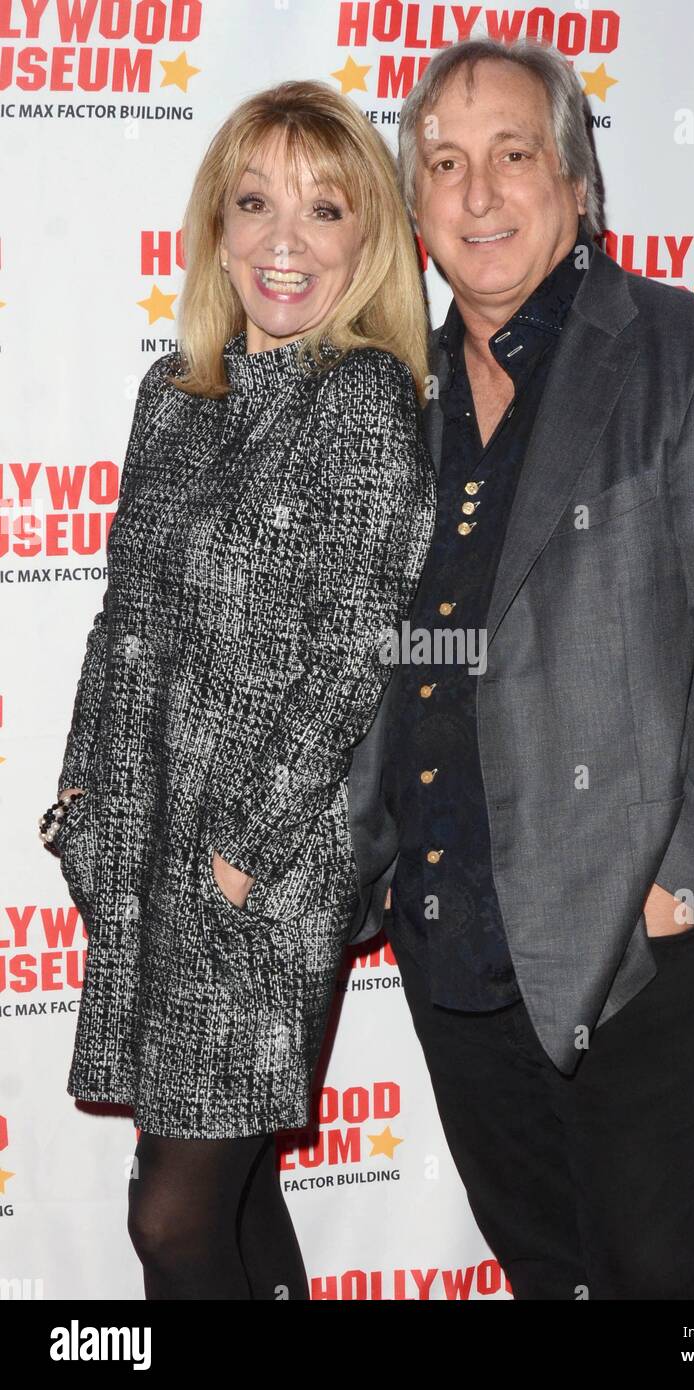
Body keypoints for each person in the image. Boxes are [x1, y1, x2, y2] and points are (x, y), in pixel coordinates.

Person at [345, 38, 694, 1299]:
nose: (479, 193)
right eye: (443, 165)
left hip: (635, 954)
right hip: (455, 950)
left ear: (574, 179)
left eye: (511, 155)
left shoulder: (691, 360)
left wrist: (687, 882)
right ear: (414, 210)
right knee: (548, 1276)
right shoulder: (400, 404)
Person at [41, 80, 436, 1299]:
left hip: (259, 867)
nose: (283, 240)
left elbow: (352, 650)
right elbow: (122, 621)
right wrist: (84, 795)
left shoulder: (361, 401)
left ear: (366, 239)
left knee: (171, 1217)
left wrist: (242, 853)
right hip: (148, 840)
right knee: (236, 1191)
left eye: (324, 211)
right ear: (215, 224)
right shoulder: (176, 396)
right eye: (255, 202)